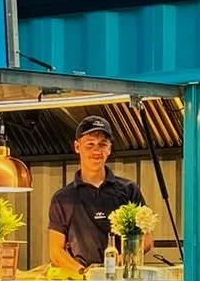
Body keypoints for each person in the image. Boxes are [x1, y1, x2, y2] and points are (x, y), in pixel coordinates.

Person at [46, 115, 152, 272]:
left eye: (102, 144)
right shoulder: (62, 198)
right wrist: (84, 273)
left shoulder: (129, 190)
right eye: (90, 145)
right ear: (77, 147)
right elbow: (56, 252)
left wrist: (125, 257)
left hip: (122, 279)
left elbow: (147, 239)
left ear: (109, 148)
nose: (96, 150)